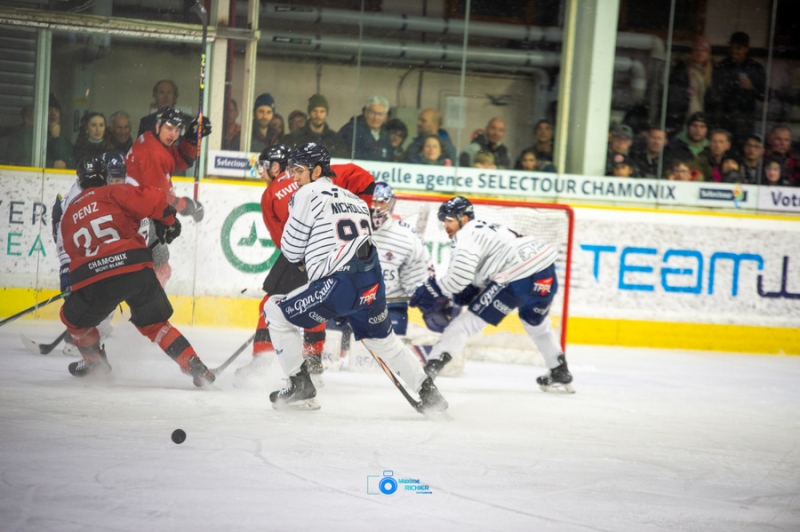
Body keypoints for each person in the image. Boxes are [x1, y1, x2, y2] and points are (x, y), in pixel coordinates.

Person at [262, 143, 448, 412]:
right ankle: (429, 394)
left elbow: (290, 250)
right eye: (292, 170)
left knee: (274, 309)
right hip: (371, 281)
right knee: (386, 342)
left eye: (299, 170)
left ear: (316, 171)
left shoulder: (307, 193)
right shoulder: (356, 200)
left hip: (337, 283)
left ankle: (299, 385)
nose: (295, 177)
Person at [58, 157, 215, 387]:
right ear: (105, 177)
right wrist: (169, 221)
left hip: (95, 279)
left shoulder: (69, 214)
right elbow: (156, 199)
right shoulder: (115, 192)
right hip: (135, 268)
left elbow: (73, 254)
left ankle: (95, 364)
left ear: (79, 181)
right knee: (156, 325)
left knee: (73, 320)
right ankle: (195, 365)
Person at [235, 145, 378, 381]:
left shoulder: (270, 194)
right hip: (334, 250)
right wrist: (364, 214)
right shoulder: (324, 176)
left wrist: (301, 260)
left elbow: (284, 240)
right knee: (317, 301)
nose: (261, 172)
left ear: (275, 166)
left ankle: (261, 361)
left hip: (303, 251)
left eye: (263, 166)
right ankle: (313, 362)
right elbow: (365, 179)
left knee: (270, 302)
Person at [409, 196, 574, 393]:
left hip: (516, 275)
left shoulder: (468, 232)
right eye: (443, 221)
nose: (446, 225)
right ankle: (559, 370)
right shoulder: (490, 232)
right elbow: (475, 279)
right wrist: (459, 295)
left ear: (465, 217)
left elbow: (459, 277)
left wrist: (433, 289)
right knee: (534, 321)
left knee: (463, 326)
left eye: (449, 219)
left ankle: (427, 374)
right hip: (545, 271)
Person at [326, 181, 438, 366]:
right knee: (327, 354)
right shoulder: (346, 231)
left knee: (385, 363)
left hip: (390, 308)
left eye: (381, 202)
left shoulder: (407, 237)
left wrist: (425, 299)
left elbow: (418, 277)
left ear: (391, 203)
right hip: (348, 306)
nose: (375, 207)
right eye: (372, 201)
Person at [125, 107, 210, 285]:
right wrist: (189, 207)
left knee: (151, 268)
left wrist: (192, 140)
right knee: (160, 269)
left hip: (136, 211)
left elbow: (179, 161)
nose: (173, 134)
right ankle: (149, 309)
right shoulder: (153, 153)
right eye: (169, 128)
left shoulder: (151, 139)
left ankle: (144, 307)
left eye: (178, 130)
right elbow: (163, 199)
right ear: (158, 126)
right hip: (138, 218)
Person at [706, 32, 766, 144]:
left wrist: (752, 88)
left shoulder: (755, 68)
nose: (734, 51)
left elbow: (765, 96)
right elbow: (714, 94)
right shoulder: (722, 66)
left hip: (745, 119)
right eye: (732, 47)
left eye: (739, 48)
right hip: (724, 117)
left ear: (746, 49)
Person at [666, 36, 714, 137]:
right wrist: (684, 92)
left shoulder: (713, 73)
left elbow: (715, 99)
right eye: (696, 50)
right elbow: (672, 93)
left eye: (703, 50)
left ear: (708, 53)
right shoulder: (682, 70)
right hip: (684, 117)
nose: (699, 53)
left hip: (703, 118)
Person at [338, 95, 393, 161]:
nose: (376, 118)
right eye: (372, 113)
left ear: (386, 117)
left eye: (380, 114)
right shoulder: (351, 130)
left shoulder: (386, 135)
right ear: (365, 113)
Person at [46, 94, 74, 169]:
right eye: (50, 109)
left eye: (56, 110)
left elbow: (69, 165)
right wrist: (51, 164)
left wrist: (57, 138)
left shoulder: (65, 142)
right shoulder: (33, 135)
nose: (53, 113)